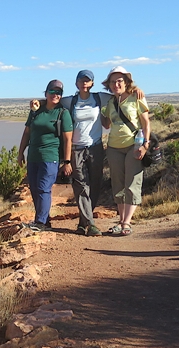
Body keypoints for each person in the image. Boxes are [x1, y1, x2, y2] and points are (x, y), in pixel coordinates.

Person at [31, 70, 145, 237]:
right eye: (81, 80)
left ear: (92, 83)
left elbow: (119, 93)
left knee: (95, 185)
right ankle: (90, 224)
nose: (84, 83)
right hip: (77, 148)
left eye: (88, 81)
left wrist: (135, 90)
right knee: (81, 185)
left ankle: (83, 221)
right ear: (76, 83)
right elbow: (52, 100)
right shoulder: (70, 101)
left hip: (96, 147)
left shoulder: (100, 98)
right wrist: (38, 102)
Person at [100, 66, 150, 236]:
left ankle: (127, 222)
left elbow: (146, 123)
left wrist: (145, 144)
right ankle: (121, 221)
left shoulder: (137, 97)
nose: (116, 84)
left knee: (132, 183)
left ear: (127, 82)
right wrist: (100, 111)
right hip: (114, 146)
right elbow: (106, 124)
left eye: (120, 81)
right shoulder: (110, 102)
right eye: (113, 82)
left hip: (133, 145)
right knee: (118, 184)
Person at [17, 80, 73, 231]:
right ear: (46, 93)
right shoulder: (36, 110)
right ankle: (44, 220)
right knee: (34, 189)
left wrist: (67, 161)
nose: (55, 95)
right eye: (52, 92)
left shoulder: (63, 113)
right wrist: (20, 152)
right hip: (33, 156)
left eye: (59, 93)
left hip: (50, 156)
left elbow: (68, 139)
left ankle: (40, 222)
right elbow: (27, 132)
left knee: (43, 188)